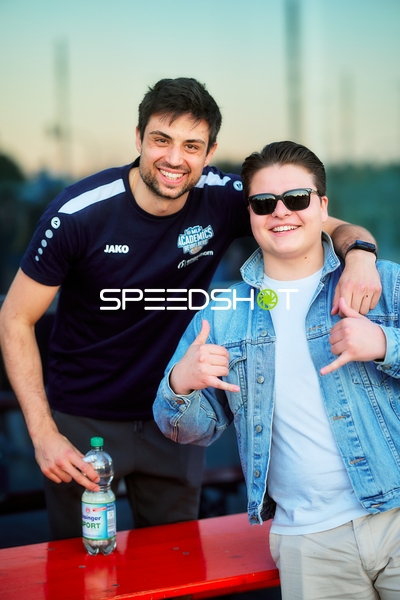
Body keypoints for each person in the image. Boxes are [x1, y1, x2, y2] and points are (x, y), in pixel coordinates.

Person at [0, 78, 380, 541]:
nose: (175, 159)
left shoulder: (224, 197)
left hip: (177, 415)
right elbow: (15, 318)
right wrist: (43, 434)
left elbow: (326, 223)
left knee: (176, 560)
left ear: (209, 151)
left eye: (192, 145)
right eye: (162, 140)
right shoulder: (78, 214)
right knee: (80, 560)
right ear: (139, 138)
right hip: (84, 420)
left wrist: (361, 256)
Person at [153, 140, 400, 599]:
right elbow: (185, 431)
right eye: (264, 202)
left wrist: (386, 344)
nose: (281, 212)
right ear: (250, 215)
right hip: (308, 542)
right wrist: (179, 383)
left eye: (297, 198)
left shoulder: (381, 281)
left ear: (322, 206)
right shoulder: (223, 314)